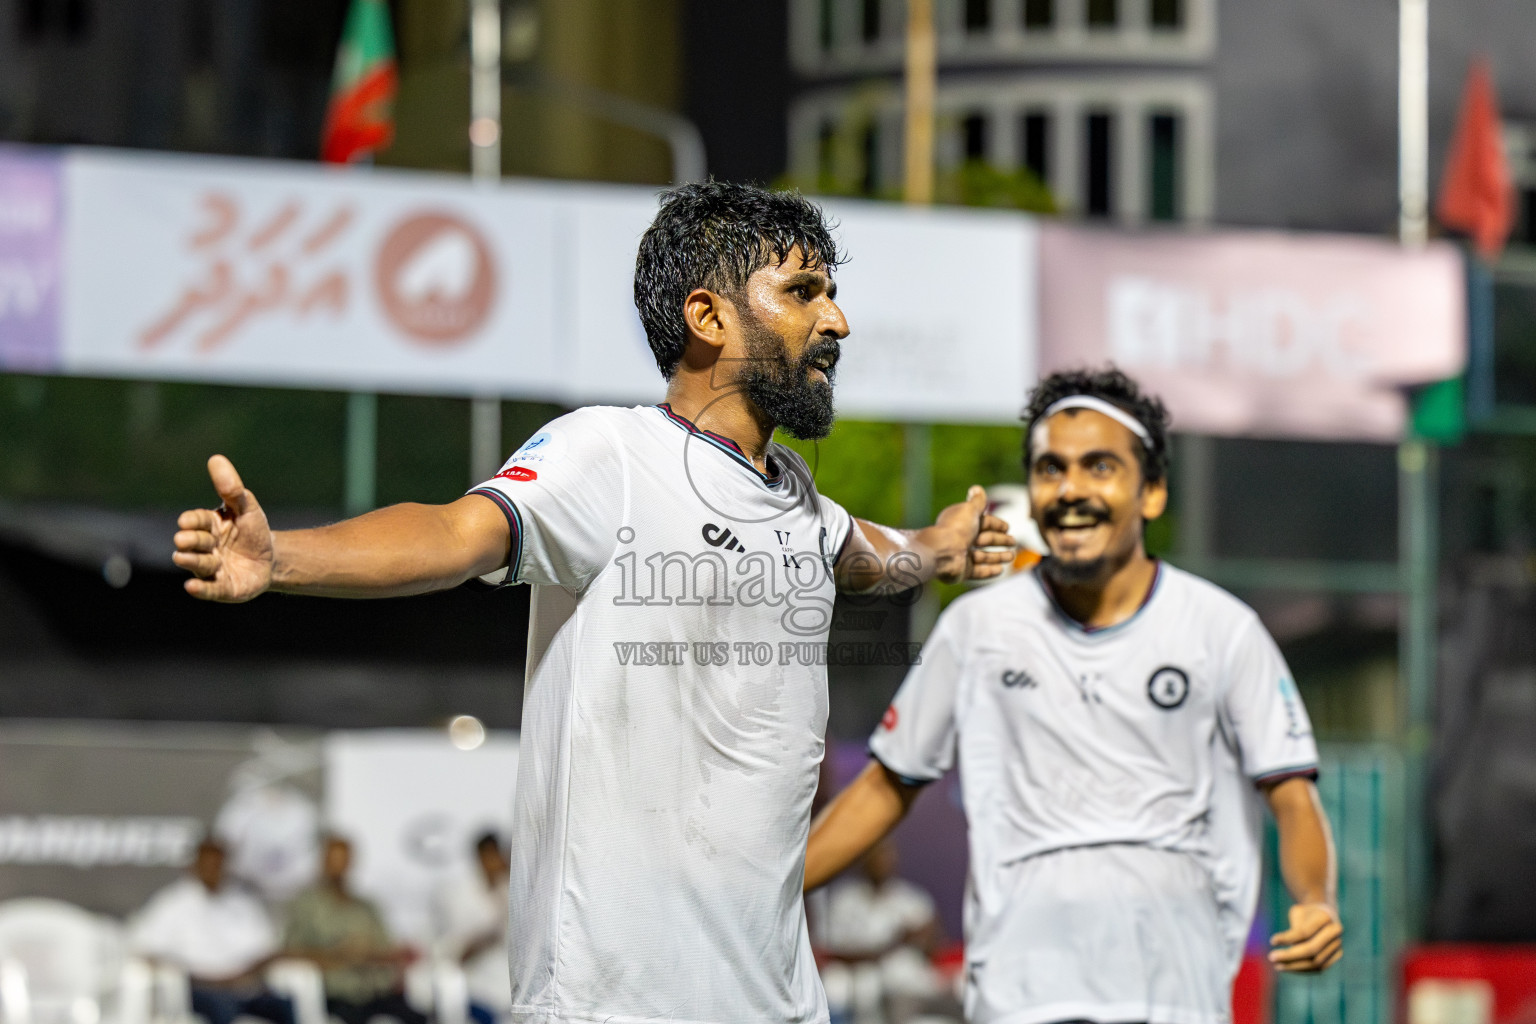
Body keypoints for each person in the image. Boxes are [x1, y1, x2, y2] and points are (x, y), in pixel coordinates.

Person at [171, 181, 1014, 1024]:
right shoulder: (608, 453)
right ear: (708, 317)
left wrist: (945, 544)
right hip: (614, 1005)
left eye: (830, 293)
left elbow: (875, 558)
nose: (836, 321)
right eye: (803, 292)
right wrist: (285, 557)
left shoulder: (798, 500)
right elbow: (454, 534)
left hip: (778, 1005)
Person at [804, 367, 1343, 1024]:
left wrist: (1315, 899)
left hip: (1175, 997)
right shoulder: (978, 628)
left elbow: (1291, 793)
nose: (1070, 490)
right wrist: (765, 894)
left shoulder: (1222, 630)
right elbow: (886, 788)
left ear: (1151, 493)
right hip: (1021, 998)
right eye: (1051, 469)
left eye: (1099, 467)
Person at [127, 838, 294, 1024]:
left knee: (285, 1007)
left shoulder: (243, 903)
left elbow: (265, 949)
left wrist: (244, 977)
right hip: (197, 989)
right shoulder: (172, 904)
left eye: (219, 864)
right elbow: (144, 948)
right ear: (194, 866)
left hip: (243, 987)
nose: (214, 870)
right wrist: (183, 974)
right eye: (208, 864)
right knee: (222, 1009)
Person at [282, 835, 425, 1024]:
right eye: (333, 860)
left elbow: (388, 949)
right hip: (336, 994)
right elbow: (291, 952)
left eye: (344, 860)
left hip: (377, 991)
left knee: (419, 1017)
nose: (339, 867)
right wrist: (339, 954)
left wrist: (370, 952)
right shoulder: (307, 905)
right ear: (322, 862)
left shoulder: (366, 907)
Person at [817, 839, 943, 1024]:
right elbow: (835, 950)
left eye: (886, 855)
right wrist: (895, 943)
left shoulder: (912, 899)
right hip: (856, 983)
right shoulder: (845, 898)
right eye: (875, 856)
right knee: (840, 986)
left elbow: (932, 949)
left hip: (907, 989)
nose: (881, 862)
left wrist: (929, 933)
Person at [433, 832, 511, 1024]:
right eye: (494, 855)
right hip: (475, 992)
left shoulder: (512, 889)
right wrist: (488, 936)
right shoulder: (458, 896)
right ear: (481, 856)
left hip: (512, 993)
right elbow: (455, 951)